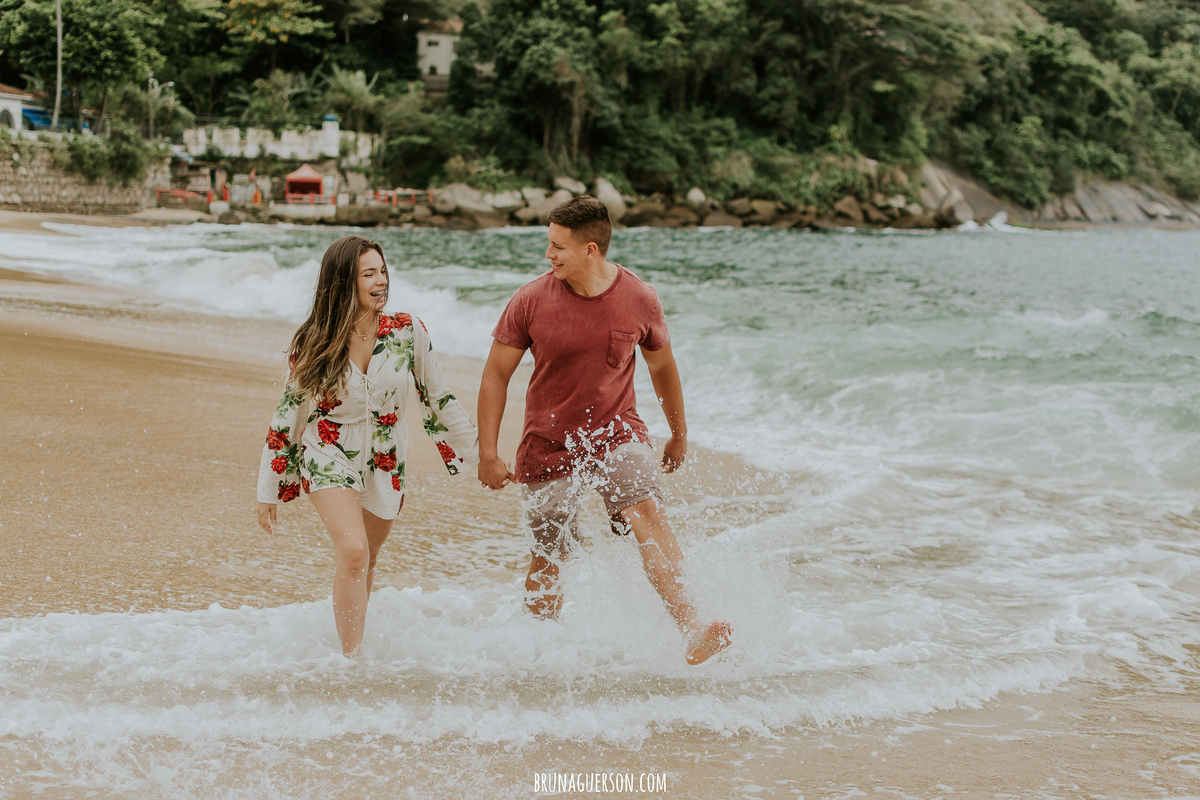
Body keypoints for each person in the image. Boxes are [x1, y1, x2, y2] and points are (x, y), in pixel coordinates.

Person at [477, 196, 733, 665]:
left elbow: (662, 368)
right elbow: (496, 374)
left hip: (616, 432)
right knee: (549, 553)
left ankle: (693, 627)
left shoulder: (639, 298)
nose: (548, 255)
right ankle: (537, 651)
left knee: (646, 512)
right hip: (547, 443)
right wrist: (488, 453)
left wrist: (678, 432)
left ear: (590, 249)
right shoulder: (531, 299)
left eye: (557, 246)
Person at [256, 234, 477, 658]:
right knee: (354, 550)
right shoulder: (315, 341)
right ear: (344, 283)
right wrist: (269, 488)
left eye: (383, 271)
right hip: (328, 448)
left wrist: (482, 453)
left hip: (386, 456)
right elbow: (289, 415)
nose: (381, 281)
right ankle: (351, 659)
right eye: (368, 274)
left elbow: (439, 397)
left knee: (367, 559)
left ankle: (351, 639)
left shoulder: (407, 332)